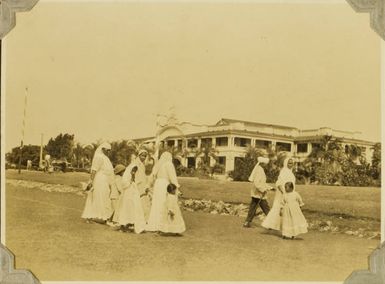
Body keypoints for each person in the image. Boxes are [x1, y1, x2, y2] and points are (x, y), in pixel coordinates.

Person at [146, 151, 182, 232]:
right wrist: (177, 186)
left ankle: (154, 224)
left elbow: (152, 176)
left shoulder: (158, 165)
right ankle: (162, 225)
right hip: (165, 185)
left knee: (156, 204)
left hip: (158, 185)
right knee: (164, 204)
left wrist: (148, 185)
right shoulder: (169, 164)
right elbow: (172, 177)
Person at [81, 142, 114, 223]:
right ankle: (92, 216)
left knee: (104, 197)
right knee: (98, 197)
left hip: (105, 180)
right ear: (103, 149)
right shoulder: (99, 157)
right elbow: (94, 170)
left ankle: (103, 216)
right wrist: (91, 181)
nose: (109, 152)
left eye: (110, 150)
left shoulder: (106, 158)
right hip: (99, 180)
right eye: (107, 150)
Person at [262, 157, 296, 231]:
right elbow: (279, 183)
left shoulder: (290, 172)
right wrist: (284, 192)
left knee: (285, 209)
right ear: (286, 163)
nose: (291, 164)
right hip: (283, 193)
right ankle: (271, 224)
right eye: (289, 163)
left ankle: (282, 225)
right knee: (278, 207)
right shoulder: (284, 171)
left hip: (289, 192)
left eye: (292, 163)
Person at [115, 165, 146, 234]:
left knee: (133, 209)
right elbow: (124, 185)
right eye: (133, 171)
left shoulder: (133, 178)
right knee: (126, 209)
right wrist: (130, 181)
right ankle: (124, 225)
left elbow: (136, 185)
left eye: (135, 171)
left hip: (132, 195)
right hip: (127, 195)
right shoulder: (126, 178)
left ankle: (131, 224)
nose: (133, 172)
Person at [243, 157, 273, 228]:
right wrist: (263, 190)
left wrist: (270, 187)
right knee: (266, 208)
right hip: (258, 193)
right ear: (262, 163)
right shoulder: (259, 171)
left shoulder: (260, 169)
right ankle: (271, 224)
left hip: (257, 193)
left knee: (253, 208)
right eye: (265, 164)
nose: (266, 165)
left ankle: (247, 222)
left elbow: (262, 183)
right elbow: (257, 183)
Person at [130, 149, 151, 221]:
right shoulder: (135, 163)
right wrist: (134, 182)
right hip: (137, 184)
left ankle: (143, 219)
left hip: (143, 184)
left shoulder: (143, 165)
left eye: (145, 156)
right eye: (142, 156)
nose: (144, 158)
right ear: (139, 156)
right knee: (137, 200)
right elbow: (132, 174)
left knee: (144, 201)